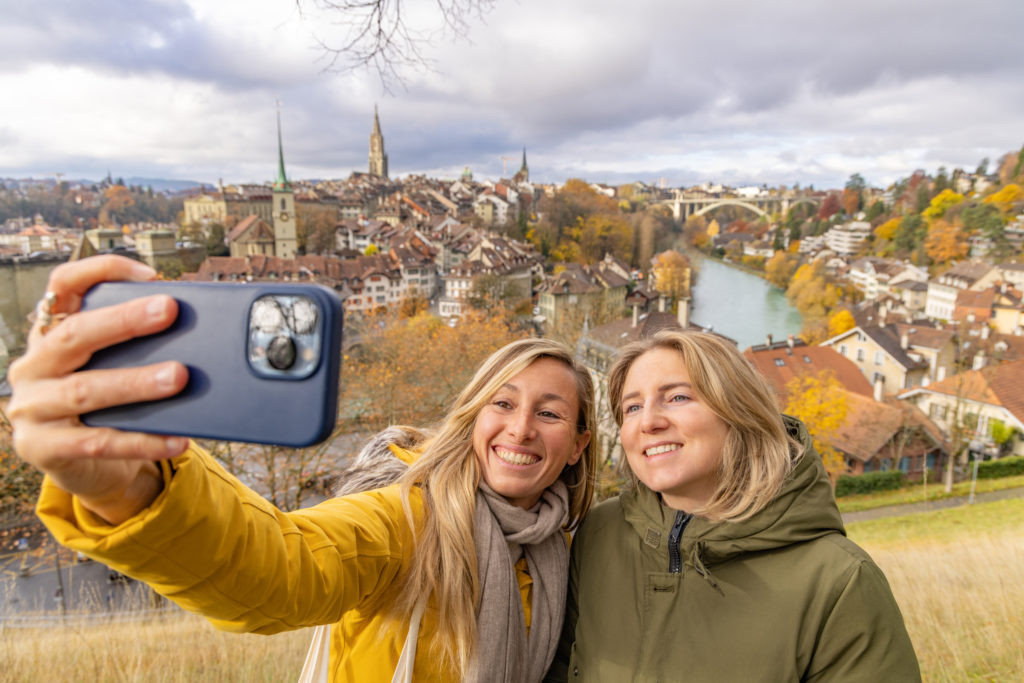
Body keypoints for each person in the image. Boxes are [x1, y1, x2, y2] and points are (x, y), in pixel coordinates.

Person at [9, 254, 596, 682]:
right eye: (502, 403)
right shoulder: (409, 517)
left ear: (576, 444)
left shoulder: (563, 547)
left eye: (549, 413)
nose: (520, 428)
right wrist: (135, 488)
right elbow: (278, 570)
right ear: (472, 416)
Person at [546, 329, 920, 682]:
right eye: (632, 407)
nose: (648, 422)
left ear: (738, 411)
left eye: (677, 397)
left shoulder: (839, 581)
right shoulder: (599, 533)